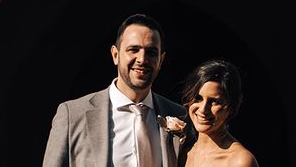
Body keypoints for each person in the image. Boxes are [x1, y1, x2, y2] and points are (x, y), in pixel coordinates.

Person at [43, 13, 188, 167]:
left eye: (151, 52)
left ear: (161, 60)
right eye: (133, 50)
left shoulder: (179, 115)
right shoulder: (72, 115)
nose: (142, 59)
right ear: (115, 55)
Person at [179, 60, 259, 167]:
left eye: (214, 101)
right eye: (198, 98)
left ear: (231, 106)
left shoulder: (240, 161)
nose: (203, 109)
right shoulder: (182, 154)